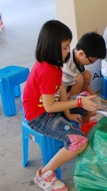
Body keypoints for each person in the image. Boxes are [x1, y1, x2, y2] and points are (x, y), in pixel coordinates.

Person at [22, 20, 98, 191]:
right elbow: (49, 107)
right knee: (79, 141)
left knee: (85, 110)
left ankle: (71, 147)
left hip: (48, 110)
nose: (67, 52)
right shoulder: (47, 70)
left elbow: (61, 89)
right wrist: (78, 101)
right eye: (64, 48)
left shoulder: (54, 64)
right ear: (50, 46)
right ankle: (44, 174)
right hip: (39, 117)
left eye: (68, 46)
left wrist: (69, 113)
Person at [60, 32, 106, 125]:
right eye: (91, 61)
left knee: (87, 75)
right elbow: (62, 92)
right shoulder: (67, 66)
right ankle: (79, 113)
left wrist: (96, 98)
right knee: (80, 78)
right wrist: (81, 103)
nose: (91, 64)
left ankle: (84, 124)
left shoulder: (77, 58)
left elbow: (87, 86)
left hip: (70, 90)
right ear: (81, 54)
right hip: (63, 98)